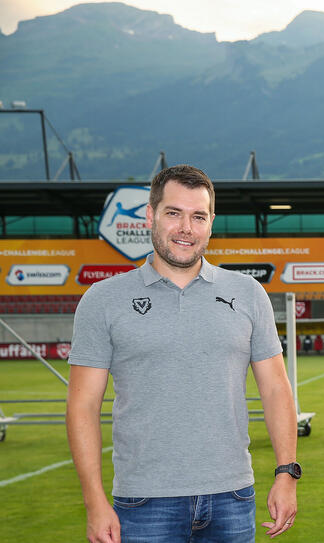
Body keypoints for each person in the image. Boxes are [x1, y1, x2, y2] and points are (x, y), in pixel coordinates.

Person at [67, 165, 300, 543]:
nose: (186, 228)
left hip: (233, 496)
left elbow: (276, 388)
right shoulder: (104, 300)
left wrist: (286, 474)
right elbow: (82, 406)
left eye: (198, 216)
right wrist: (94, 501)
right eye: (173, 213)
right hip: (144, 501)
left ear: (211, 222)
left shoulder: (247, 293)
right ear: (150, 215)